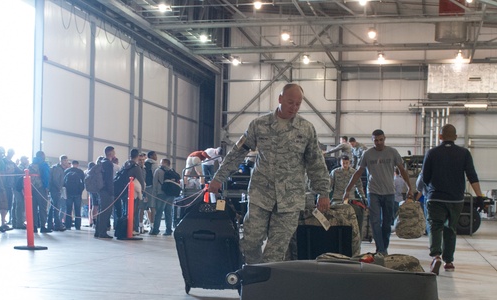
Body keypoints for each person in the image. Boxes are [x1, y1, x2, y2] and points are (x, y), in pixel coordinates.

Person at [208, 83, 331, 263]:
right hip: (261, 194)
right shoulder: (259, 125)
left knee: (276, 251)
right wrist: (219, 177)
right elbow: (238, 152)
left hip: (290, 199)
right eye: (290, 102)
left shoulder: (306, 129)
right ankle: (253, 282)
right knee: (250, 243)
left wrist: (323, 192)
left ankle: (265, 286)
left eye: (298, 104)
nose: (294, 107)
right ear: (280, 99)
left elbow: (316, 163)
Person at [416, 124, 484, 274]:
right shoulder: (464, 153)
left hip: (435, 198)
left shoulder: (431, 153)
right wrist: (480, 196)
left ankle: (436, 256)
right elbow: (472, 176)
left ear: (440, 137)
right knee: (451, 229)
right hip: (456, 200)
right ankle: (449, 262)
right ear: (455, 137)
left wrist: (422, 192)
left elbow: (425, 177)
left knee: (435, 226)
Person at [343, 129, 409, 255]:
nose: (378, 142)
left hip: (389, 192)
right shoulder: (367, 154)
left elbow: (402, 169)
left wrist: (410, 187)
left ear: (384, 139)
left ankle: (383, 247)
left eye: (381, 140)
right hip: (373, 192)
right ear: (372, 140)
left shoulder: (392, 152)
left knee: (386, 223)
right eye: (376, 140)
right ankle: (381, 249)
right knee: (374, 221)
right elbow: (358, 172)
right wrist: (347, 189)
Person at [151, 158, 180, 235]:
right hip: (171, 194)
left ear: (164, 163)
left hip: (161, 194)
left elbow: (155, 184)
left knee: (159, 212)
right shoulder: (172, 172)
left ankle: (155, 230)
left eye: (161, 162)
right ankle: (168, 230)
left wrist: (154, 195)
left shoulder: (158, 171)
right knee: (168, 212)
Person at [94, 146, 116, 239]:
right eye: (114, 152)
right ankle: (102, 232)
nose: (115, 154)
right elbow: (109, 179)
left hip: (100, 190)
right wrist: (112, 192)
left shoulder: (101, 162)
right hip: (106, 191)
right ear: (110, 153)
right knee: (106, 212)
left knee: (101, 211)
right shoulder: (108, 164)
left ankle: (98, 231)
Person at [62, 159, 85, 230]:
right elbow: (83, 183)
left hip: (68, 193)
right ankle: (77, 226)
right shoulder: (80, 172)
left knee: (68, 209)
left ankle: (68, 225)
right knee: (77, 210)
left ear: (71, 164)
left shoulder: (66, 171)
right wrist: (80, 191)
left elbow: (63, 183)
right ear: (77, 165)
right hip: (78, 193)